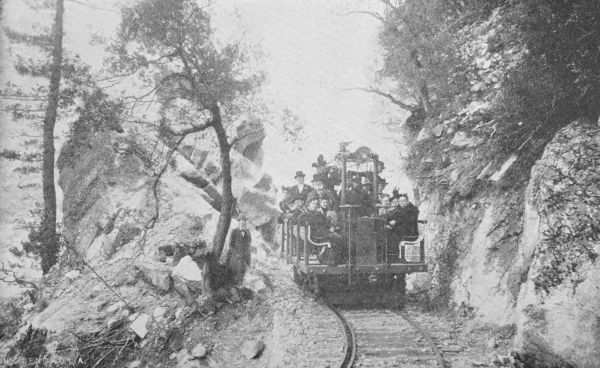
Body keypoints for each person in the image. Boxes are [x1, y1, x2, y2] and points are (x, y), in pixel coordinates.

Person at [304, 197, 344, 265]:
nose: (316, 205)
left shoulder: (317, 213)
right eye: (313, 204)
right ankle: (331, 259)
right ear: (308, 206)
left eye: (316, 204)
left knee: (339, 235)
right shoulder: (308, 214)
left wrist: (331, 227)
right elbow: (317, 226)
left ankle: (334, 258)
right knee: (338, 237)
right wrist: (329, 231)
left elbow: (325, 223)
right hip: (317, 235)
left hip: (322, 233)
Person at [226, 215, 252, 284]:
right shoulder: (234, 231)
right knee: (235, 274)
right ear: (239, 222)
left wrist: (248, 258)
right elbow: (231, 245)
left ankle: (241, 286)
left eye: (245, 221)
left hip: (245, 257)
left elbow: (249, 245)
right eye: (242, 221)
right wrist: (236, 254)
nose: (243, 222)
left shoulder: (248, 232)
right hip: (235, 257)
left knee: (243, 274)